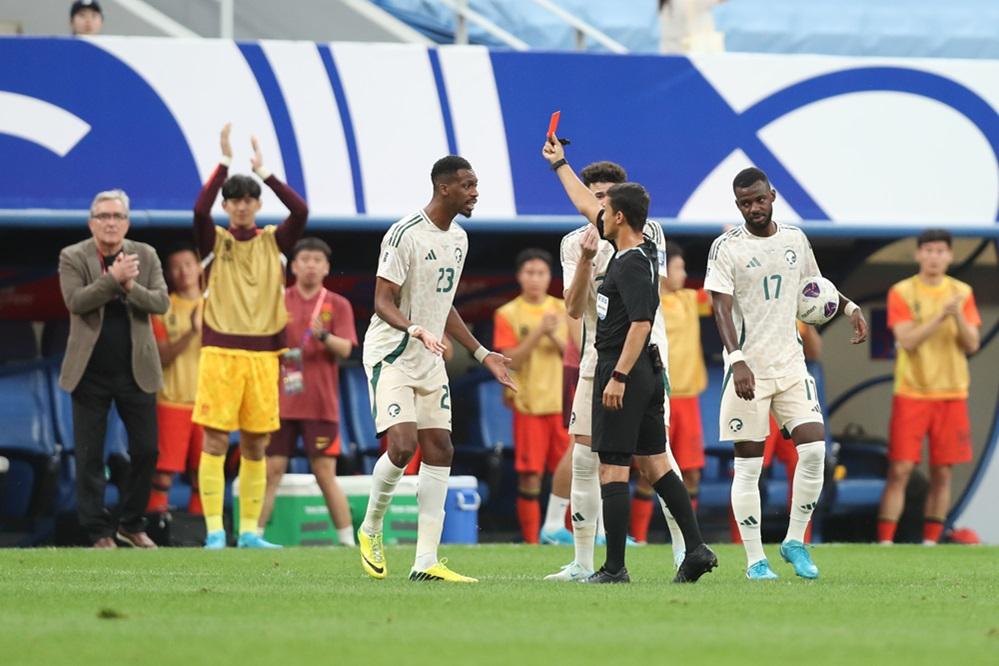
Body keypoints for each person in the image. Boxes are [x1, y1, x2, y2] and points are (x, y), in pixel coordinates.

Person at [543, 138, 716, 584]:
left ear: (619, 211)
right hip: (602, 362)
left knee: (622, 464)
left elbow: (641, 321)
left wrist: (619, 373)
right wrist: (561, 166)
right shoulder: (583, 244)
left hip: (629, 363)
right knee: (637, 461)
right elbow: (573, 307)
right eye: (595, 198)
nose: (598, 207)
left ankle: (624, 564)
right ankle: (684, 550)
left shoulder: (642, 243)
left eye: (607, 201)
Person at [357, 155, 515, 583]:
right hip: (392, 352)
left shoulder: (459, 239)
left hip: (428, 356)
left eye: (476, 185)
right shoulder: (404, 234)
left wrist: (482, 353)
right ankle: (370, 527)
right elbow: (382, 302)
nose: (475, 193)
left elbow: (444, 306)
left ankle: (426, 561)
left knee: (441, 447)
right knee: (403, 446)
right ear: (444, 188)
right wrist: (414, 329)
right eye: (468, 185)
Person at [705, 167, 868, 580]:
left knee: (814, 451)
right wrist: (736, 359)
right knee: (749, 467)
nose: (754, 208)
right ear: (738, 204)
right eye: (745, 203)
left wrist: (849, 307)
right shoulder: (727, 247)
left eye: (759, 199)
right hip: (748, 371)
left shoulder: (795, 239)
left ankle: (795, 540)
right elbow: (720, 306)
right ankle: (755, 560)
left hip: (792, 365)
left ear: (772, 195)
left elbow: (814, 287)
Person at [193, 123, 308, 549]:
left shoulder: (274, 242)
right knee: (215, 440)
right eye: (234, 200)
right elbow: (199, 211)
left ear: (258, 204)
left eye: (248, 199)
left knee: (257, 444)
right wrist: (224, 161)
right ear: (226, 205)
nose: (241, 206)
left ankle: (248, 532)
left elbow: (300, 211)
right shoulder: (215, 241)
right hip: (220, 353)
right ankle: (214, 531)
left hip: (264, 356)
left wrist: (265, 172)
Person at [58, 189, 169, 548]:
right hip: (89, 371)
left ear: (127, 223)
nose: (110, 223)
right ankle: (97, 531)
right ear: (91, 223)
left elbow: (161, 302)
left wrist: (130, 285)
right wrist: (112, 279)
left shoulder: (146, 255)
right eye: (103, 216)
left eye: (117, 216)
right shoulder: (73, 256)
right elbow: (76, 301)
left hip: (136, 369)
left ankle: (131, 523)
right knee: (90, 455)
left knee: (147, 450)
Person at [877, 229, 980, 545]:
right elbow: (907, 340)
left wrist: (957, 316)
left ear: (950, 256)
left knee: (943, 471)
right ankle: (885, 541)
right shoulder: (902, 291)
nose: (934, 257)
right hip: (912, 390)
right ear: (918, 254)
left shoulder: (962, 292)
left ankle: (931, 541)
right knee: (900, 469)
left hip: (952, 392)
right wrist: (939, 316)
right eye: (929, 250)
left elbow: (972, 344)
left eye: (940, 251)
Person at [259, 237, 358, 546]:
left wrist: (323, 336)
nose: (311, 265)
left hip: (320, 403)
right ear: (294, 266)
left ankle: (347, 541)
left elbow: (347, 349)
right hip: (281, 401)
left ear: (326, 267)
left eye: (317, 260)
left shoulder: (338, 304)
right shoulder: (277, 301)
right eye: (305, 260)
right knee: (271, 470)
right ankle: (252, 536)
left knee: (324, 473)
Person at [629, 241, 711, 544]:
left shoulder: (690, 299)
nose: (684, 274)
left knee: (691, 473)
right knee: (648, 472)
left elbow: (721, 291)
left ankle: (688, 539)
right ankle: (638, 538)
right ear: (663, 270)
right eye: (679, 268)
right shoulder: (645, 300)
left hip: (687, 399)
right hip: (656, 397)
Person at [494, 248, 571, 544]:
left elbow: (576, 355)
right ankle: (532, 541)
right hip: (528, 405)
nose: (535, 279)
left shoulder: (565, 309)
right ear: (519, 276)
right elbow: (510, 360)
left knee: (569, 474)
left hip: (563, 405)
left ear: (550, 277)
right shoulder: (507, 313)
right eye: (530, 273)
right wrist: (539, 332)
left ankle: (568, 536)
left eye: (541, 273)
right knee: (530, 476)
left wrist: (553, 335)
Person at [147, 245, 205, 521]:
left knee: (204, 472)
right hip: (171, 400)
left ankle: (204, 530)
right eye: (176, 266)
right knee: (163, 472)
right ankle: (154, 525)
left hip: (209, 403)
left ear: (199, 267)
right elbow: (160, 356)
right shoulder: (161, 308)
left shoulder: (216, 307)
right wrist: (192, 331)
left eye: (188, 264)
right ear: (169, 273)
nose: (183, 271)